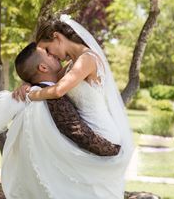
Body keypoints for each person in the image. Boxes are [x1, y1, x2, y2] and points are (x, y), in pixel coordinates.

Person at [12, 14, 134, 198]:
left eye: (47, 49)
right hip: (86, 132)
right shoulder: (70, 67)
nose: (50, 55)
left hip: (102, 133)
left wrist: (31, 95)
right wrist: (26, 84)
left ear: (56, 37)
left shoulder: (87, 60)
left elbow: (57, 90)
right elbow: (46, 80)